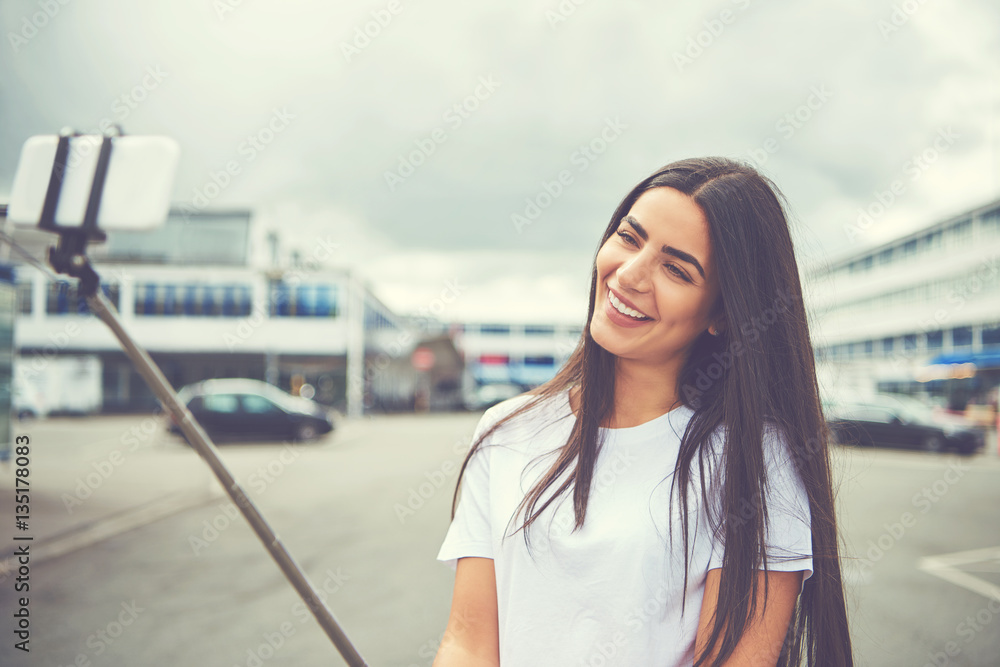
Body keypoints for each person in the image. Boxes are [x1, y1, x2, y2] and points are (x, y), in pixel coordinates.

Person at [433, 157, 854, 666]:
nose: (629, 275)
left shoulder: (753, 458)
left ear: (723, 312)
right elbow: (469, 642)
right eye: (630, 238)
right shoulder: (506, 430)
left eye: (676, 269)